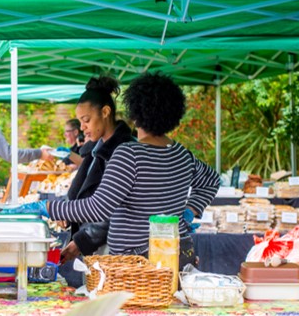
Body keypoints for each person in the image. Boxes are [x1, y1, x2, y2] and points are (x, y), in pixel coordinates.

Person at [14, 72, 220, 266]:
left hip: (138, 264)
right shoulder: (182, 155)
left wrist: (47, 207)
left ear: (135, 113)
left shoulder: (129, 154)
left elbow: (98, 207)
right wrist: (190, 210)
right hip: (177, 255)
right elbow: (212, 180)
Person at [59, 77, 136, 282]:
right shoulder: (95, 148)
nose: (82, 127)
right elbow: (80, 190)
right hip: (95, 245)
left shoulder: (124, 151)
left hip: (113, 248)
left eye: (86, 120)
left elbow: (113, 208)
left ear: (105, 112)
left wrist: (82, 241)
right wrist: (68, 211)